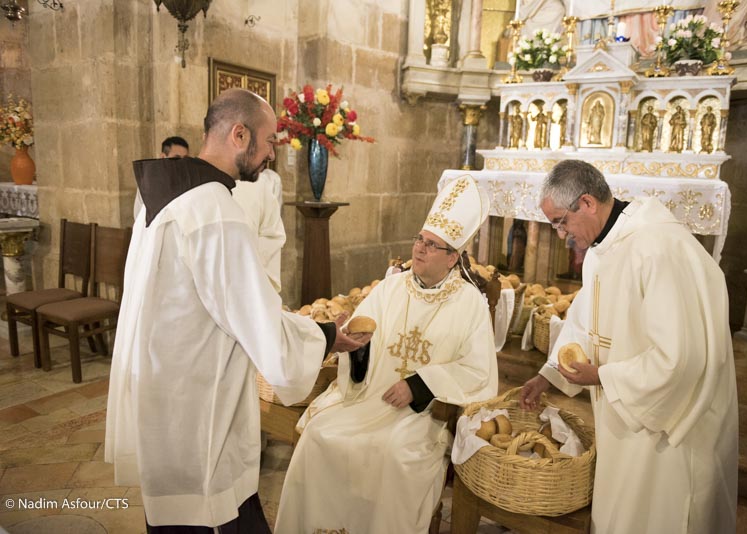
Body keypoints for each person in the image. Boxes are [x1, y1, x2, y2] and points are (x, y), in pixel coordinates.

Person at [105, 88, 370, 533]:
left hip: (162, 392)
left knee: (176, 515)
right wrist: (326, 336)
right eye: (268, 142)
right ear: (239, 134)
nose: (272, 154)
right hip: (199, 404)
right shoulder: (215, 211)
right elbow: (260, 327)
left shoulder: (162, 198)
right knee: (214, 511)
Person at [519, 160, 738, 534]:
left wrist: (602, 376)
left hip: (668, 423)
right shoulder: (603, 249)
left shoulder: (658, 247)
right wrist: (549, 375)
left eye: (561, 222)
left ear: (587, 203)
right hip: (627, 411)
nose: (560, 234)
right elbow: (586, 321)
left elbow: (681, 358)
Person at [275, 175, 499, 534]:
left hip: (420, 414)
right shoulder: (391, 287)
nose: (420, 249)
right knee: (319, 435)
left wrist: (419, 385)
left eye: (432, 245)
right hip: (370, 398)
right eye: (420, 240)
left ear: (452, 257)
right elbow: (361, 343)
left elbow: (478, 371)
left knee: (395, 454)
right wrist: (357, 346)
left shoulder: (470, 302)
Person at [232, 168, 285, 291]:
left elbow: (273, 233)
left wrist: (253, 263)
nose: (271, 158)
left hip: (251, 279)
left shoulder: (262, 183)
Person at [133, 136, 190, 219]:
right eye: (176, 158)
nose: (181, 163)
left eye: (185, 159)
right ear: (163, 157)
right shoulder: (148, 183)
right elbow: (138, 216)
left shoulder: (188, 181)